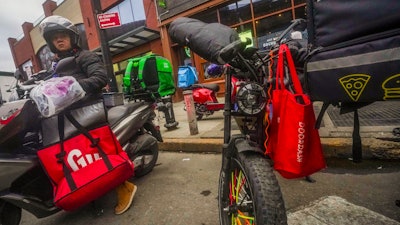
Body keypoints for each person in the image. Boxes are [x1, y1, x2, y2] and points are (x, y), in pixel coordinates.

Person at [39, 15, 136, 215]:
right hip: (71, 117)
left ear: (72, 37)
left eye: (62, 35)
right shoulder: (55, 66)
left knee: (98, 154)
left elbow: (100, 78)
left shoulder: (85, 57)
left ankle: (124, 186)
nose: (59, 40)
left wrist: (70, 87)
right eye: (54, 38)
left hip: (90, 113)